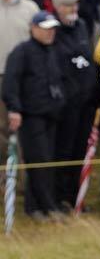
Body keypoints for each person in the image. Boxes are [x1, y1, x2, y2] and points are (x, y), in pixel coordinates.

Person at [2, 11, 65, 222]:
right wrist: (14, 109)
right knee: (39, 160)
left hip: (52, 115)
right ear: (33, 28)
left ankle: (36, 206)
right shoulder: (21, 52)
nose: (50, 33)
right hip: (30, 116)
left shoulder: (53, 51)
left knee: (49, 160)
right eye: (46, 28)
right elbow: (10, 83)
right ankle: (46, 207)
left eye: (52, 28)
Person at [52, 0, 97, 211]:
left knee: (79, 149)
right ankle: (59, 197)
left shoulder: (80, 26)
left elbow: (86, 58)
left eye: (75, 5)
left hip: (85, 101)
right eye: (68, 6)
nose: (73, 10)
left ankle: (74, 197)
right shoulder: (54, 30)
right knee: (64, 150)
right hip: (65, 103)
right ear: (58, 7)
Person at [0, 0, 39, 164]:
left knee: (25, 129)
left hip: (25, 77)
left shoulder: (30, 8)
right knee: (1, 130)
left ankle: (24, 186)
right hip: (0, 74)